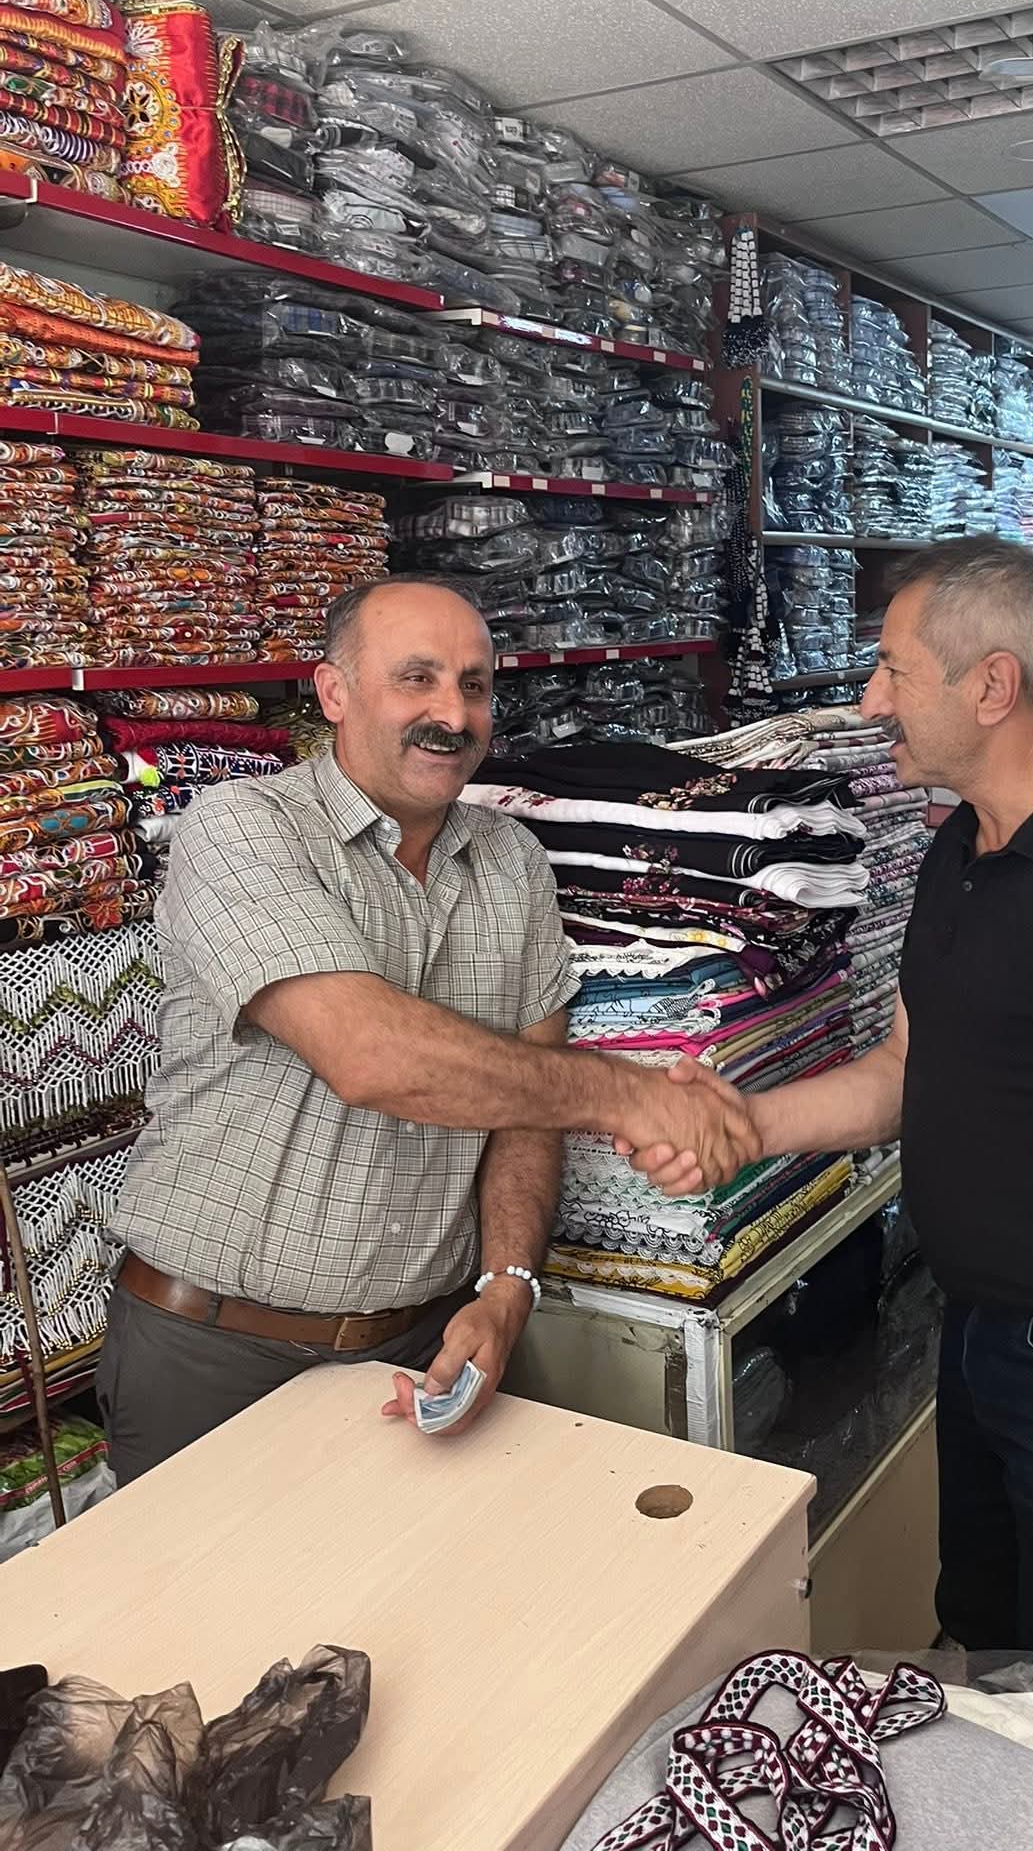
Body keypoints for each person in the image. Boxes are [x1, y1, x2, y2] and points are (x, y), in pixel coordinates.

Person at [625, 539, 1033, 1851]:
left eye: (892, 671)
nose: (870, 700)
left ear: (991, 685)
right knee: (992, 1655)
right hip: (982, 1339)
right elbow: (900, 1079)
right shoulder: (963, 852)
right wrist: (743, 1124)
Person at [98, 576, 754, 1483]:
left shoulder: (510, 859)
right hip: (214, 1351)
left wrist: (508, 1286)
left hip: (420, 1351)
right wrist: (629, 1095)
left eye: (474, 686)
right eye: (417, 679)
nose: (452, 714)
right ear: (334, 693)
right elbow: (370, 1055)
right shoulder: (243, 829)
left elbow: (527, 1104)